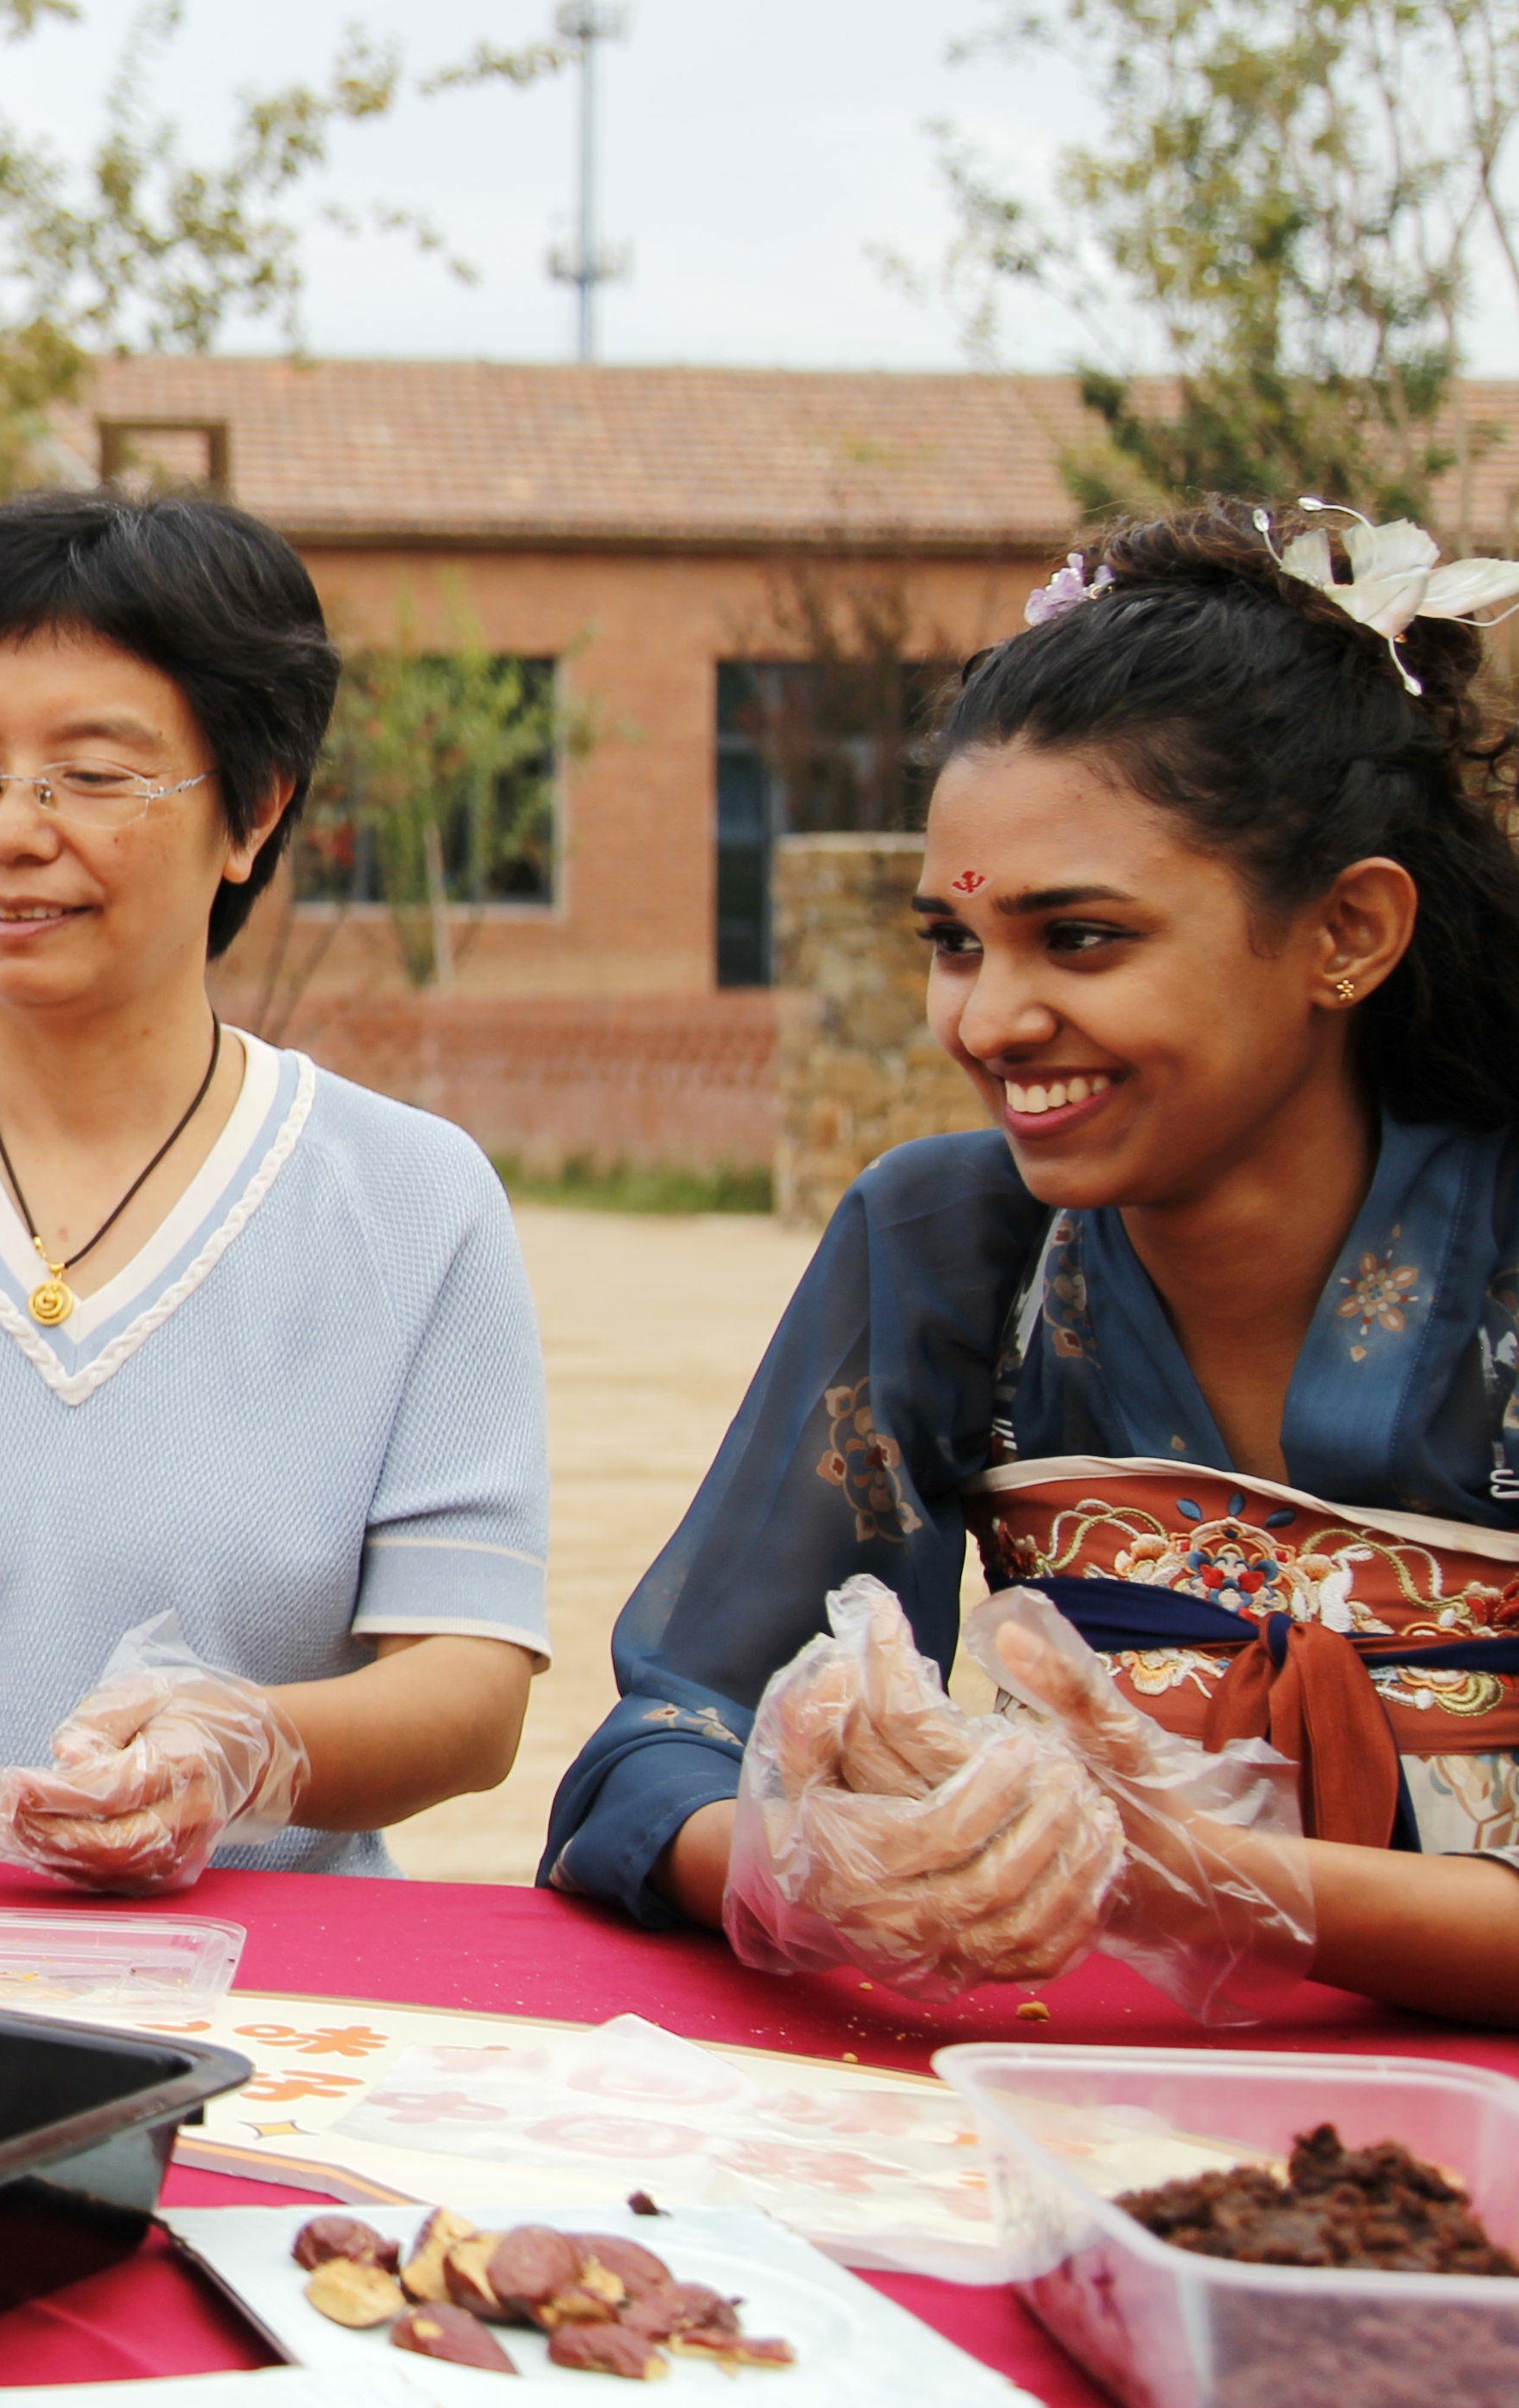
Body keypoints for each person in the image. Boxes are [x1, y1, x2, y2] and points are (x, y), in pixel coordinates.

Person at [545, 499, 1519, 2028]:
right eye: (955, 942)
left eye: (1081, 941)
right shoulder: (952, 1243)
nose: (988, 1022)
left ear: (1349, 931)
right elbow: (665, 1744)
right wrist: (816, 1856)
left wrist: (1186, 1876)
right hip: (1069, 2121)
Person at [0, 487, 549, 1889]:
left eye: (94, 772)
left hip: (276, 2021)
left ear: (252, 812)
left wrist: (252, 1754)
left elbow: (470, 1692)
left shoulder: (414, 1203)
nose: (8, 830)